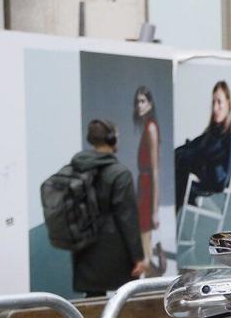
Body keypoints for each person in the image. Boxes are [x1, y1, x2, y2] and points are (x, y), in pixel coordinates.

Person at [66, 120, 145, 297]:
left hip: (84, 247)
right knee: (123, 306)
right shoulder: (120, 174)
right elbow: (127, 218)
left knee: (93, 304)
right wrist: (137, 257)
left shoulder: (77, 169)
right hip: (114, 252)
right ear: (112, 139)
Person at [174, 80, 231, 210]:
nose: (215, 108)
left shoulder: (226, 141)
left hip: (202, 186)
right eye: (213, 102)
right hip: (188, 179)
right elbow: (195, 147)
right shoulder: (212, 133)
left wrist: (199, 166)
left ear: (228, 104)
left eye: (219, 102)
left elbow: (220, 181)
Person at [131, 86, 162, 275]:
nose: (139, 105)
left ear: (150, 104)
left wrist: (156, 209)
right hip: (143, 184)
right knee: (144, 235)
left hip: (147, 185)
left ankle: (149, 272)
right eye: (137, 101)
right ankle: (149, 271)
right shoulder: (147, 127)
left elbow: (156, 169)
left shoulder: (151, 128)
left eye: (142, 101)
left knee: (145, 233)